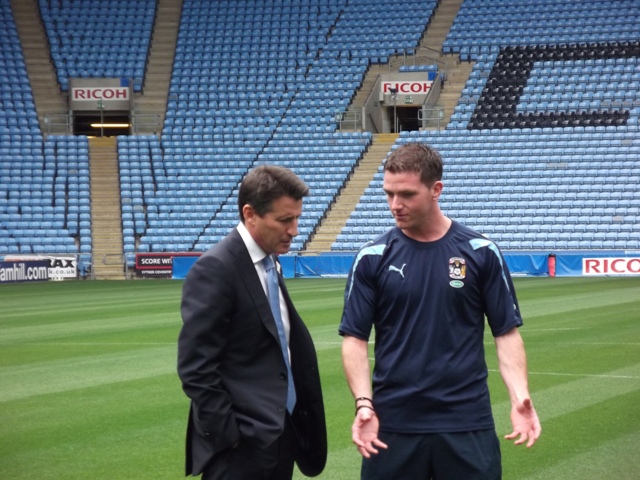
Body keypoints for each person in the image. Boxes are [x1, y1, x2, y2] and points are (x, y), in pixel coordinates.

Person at [339, 142, 541, 480]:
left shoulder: (481, 252)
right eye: (388, 194)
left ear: (436, 190)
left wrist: (520, 397)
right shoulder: (372, 256)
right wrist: (363, 403)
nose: (395, 205)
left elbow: (506, 333)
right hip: (393, 424)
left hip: (466, 421)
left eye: (406, 194)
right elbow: (354, 340)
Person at [178, 165, 327, 480]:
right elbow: (196, 369)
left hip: (281, 434)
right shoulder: (215, 269)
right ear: (250, 214)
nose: (295, 230)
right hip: (242, 448)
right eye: (285, 220)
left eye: (297, 218)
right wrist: (231, 436)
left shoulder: (269, 261)